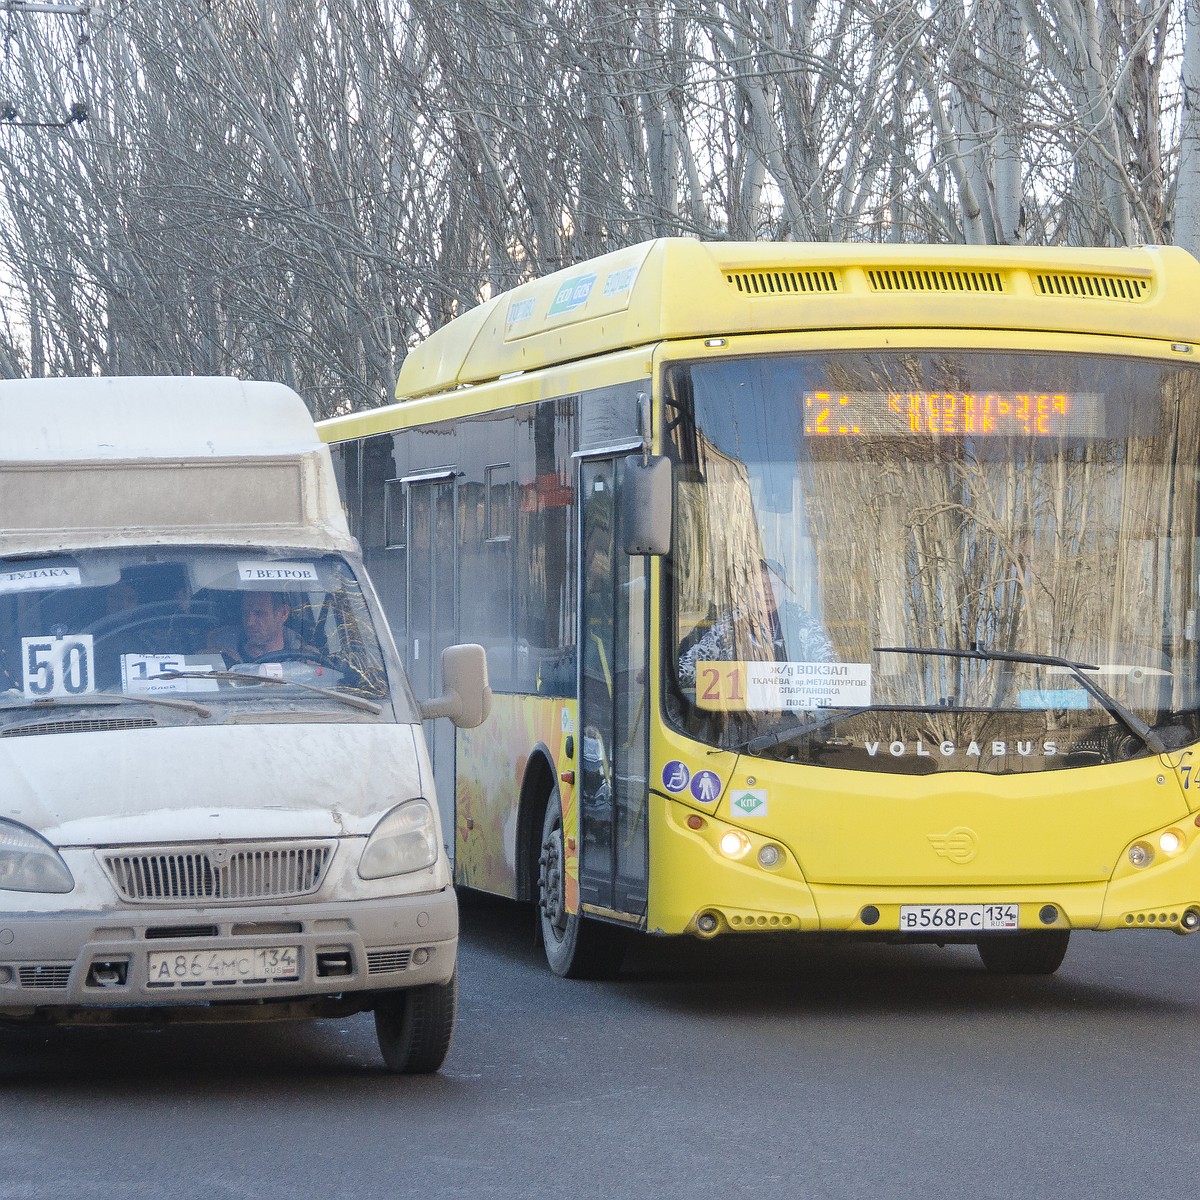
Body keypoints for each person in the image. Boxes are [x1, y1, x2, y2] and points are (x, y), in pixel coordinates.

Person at [677, 558, 833, 687]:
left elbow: (828, 667)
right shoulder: (730, 622)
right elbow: (687, 668)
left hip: (793, 713)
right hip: (740, 712)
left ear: (784, 589)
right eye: (759, 585)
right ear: (748, 590)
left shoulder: (801, 620)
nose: (767, 592)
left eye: (775, 585)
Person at [209, 591, 305, 664]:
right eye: (245, 613)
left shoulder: (304, 657)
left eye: (259, 614)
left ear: (283, 613)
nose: (249, 622)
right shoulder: (219, 655)